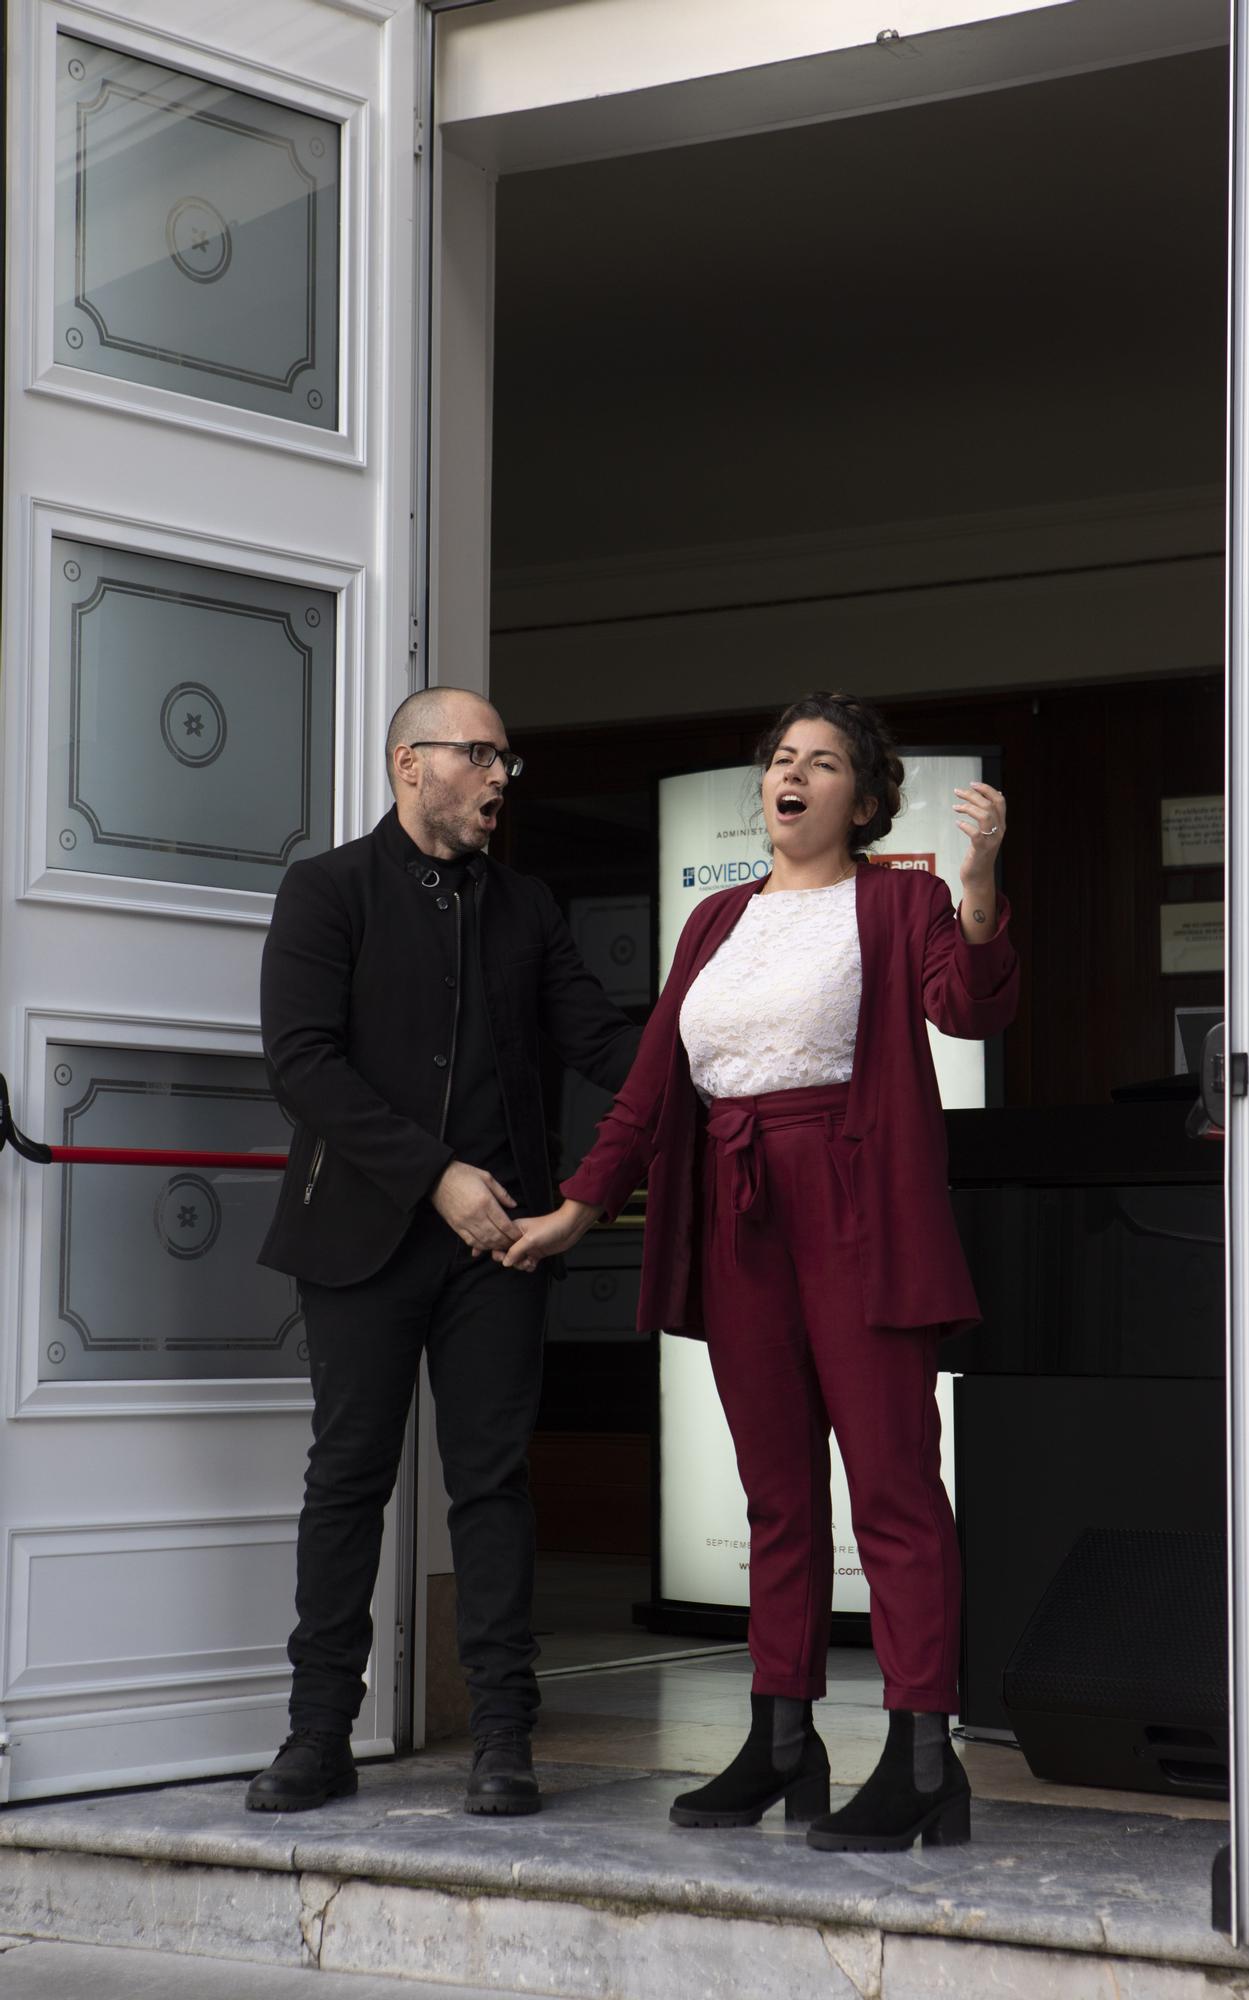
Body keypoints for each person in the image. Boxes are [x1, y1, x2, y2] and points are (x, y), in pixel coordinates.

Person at [503, 691, 1017, 1853]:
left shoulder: (902, 899)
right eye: (781, 758)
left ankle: (925, 1757)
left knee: (891, 1487)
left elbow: (968, 1005)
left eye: (822, 761)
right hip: (737, 1212)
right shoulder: (715, 920)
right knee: (777, 1494)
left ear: (865, 799)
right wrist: (581, 1206)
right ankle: (781, 1736)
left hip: (855, 1201)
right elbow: (649, 1086)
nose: (792, 774)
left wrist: (980, 878)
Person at [247, 685, 639, 1817]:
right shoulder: (327, 889)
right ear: (409, 763)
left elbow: (602, 1039)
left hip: (499, 1247)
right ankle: (317, 1732)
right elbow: (303, 1063)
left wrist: (726, 1065)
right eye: (482, 756)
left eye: (508, 759)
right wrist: (435, 1172)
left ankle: (502, 1737)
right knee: (349, 1478)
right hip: (363, 1234)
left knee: (493, 1483)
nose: (502, 777)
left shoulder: (526, 905)